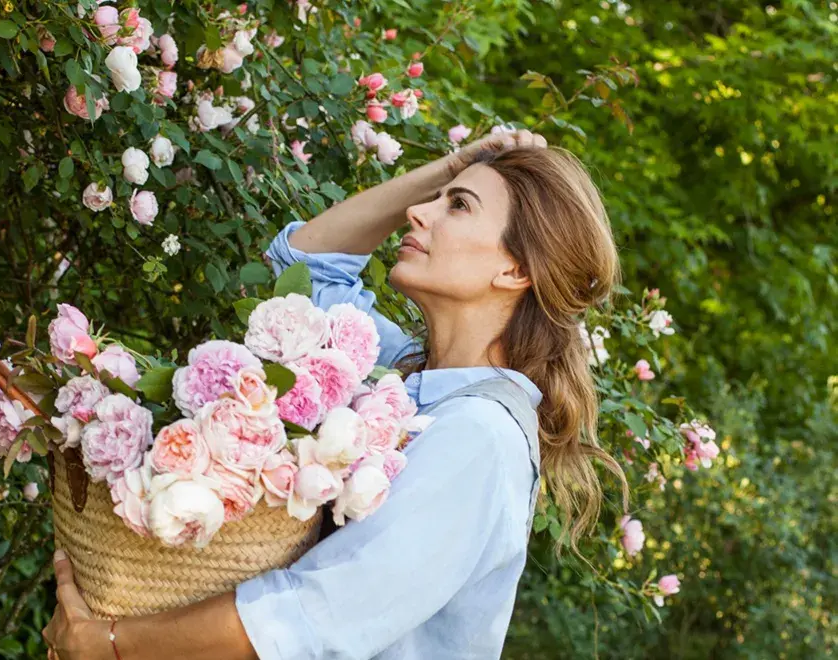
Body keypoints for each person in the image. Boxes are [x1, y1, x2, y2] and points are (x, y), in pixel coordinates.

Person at [43, 129, 626, 659]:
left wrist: (110, 646)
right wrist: (451, 167)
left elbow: (312, 615)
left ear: (515, 270)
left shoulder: (481, 435)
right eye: (439, 197)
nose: (418, 214)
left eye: (458, 205)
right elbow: (305, 265)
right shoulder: (398, 375)